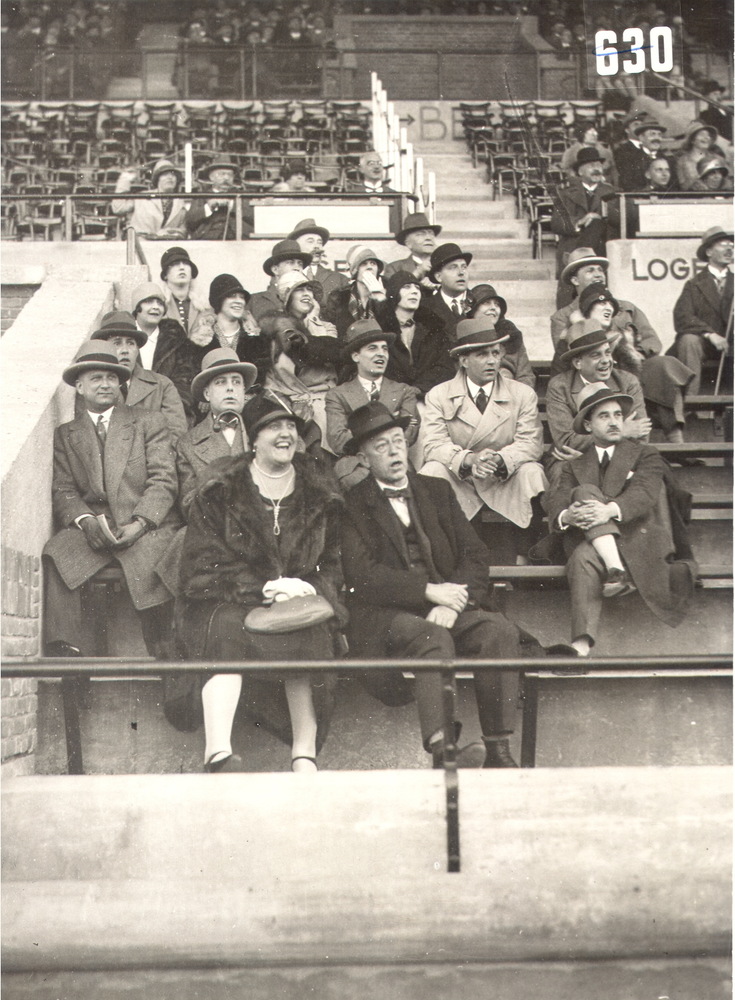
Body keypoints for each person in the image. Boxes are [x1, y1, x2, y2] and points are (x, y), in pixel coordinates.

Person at [341, 403, 566, 768]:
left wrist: (452, 601)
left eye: (398, 441)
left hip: (447, 604)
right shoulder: (352, 504)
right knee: (433, 638)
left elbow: (475, 554)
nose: (395, 451)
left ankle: (498, 751)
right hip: (387, 617)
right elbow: (361, 575)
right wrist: (427, 592)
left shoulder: (436, 490)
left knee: (497, 630)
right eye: (381, 446)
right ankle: (444, 749)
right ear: (364, 459)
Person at [177, 393, 345, 773]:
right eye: (273, 427)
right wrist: (265, 589)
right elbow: (201, 564)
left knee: (311, 633)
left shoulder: (320, 489)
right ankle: (218, 754)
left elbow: (333, 561)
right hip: (229, 599)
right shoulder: (220, 487)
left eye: (290, 426)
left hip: (299, 599)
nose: (285, 434)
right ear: (253, 438)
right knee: (225, 629)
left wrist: (309, 588)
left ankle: (304, 756)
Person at [43, 341, 179, 659]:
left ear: (120, 383)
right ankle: (67, 653)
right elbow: (64, 489)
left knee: (159, 567)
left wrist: (142, 522)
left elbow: (164, 480)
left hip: (144, 528)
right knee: (56, 553)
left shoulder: (148, 422)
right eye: (96, 378)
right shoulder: (67, 434)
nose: (105, 384)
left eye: (111, 377)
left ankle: (166, 654)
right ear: (79, 386)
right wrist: (86, 521)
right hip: (95, 532)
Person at [546, 384, 696, 657]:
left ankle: (613, 571)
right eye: (604, 416)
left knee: (584, 506)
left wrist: (607, 511)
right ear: (588, 426)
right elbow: (556, 500)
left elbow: (644, 494)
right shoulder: (573, 465)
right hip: (597, 544)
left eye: (618, 415)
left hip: (636, 536)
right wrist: (567, 515)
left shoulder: (645, 454)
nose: (614, 421)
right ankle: (581, 644)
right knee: (581, 544)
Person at [420, 317, 547, 558]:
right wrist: (469, 459)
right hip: (462, 478)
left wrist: (499, 460)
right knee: (432, 471)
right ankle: (450, 558)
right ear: (463, 360)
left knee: (532, 472)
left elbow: (530, 443)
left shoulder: (522, 394)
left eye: (495, 353)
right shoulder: (439, 395)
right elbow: (434, 445)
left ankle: (526, 556)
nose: (492, 360)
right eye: (482, 354)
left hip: (504, 477)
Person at [572, 283, 694, 445]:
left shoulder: (627, 315)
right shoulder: (578, 329)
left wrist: (637, 352)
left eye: (610, 304)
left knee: (663, 367)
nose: (608, 308)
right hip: (601, 379)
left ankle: (676, 439)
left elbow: (652, 341)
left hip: (635, 369)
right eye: (601, 303)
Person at [545, 318, 651, 488]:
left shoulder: (628, 382)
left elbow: (640, 434)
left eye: (607, 353)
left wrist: (599, 457)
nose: (606, 360)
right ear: (578, 362)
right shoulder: (560, 386)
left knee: (646, 475)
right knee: (563, 473)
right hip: (569, 457)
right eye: (596, 355)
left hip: (618, 456)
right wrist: (622, 432)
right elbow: (566, 440)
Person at [326, 318, 419, 484]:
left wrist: (361, 435)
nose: (381, 354)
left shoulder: (404, 391)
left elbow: (410, 432)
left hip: (394, 460)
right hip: (355, 464)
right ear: (356, 356)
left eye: (385, 348)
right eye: (372, 348)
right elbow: (337, 439)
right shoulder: (337, 395)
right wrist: (391, 426)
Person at [90, 310, 188, 440]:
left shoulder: (162, 385)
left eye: (131, 343)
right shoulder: (91, 387)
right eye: (117, 343)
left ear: (137, 350)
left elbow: (176, 434)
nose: (125, 350)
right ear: (104, 349)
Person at [372, 271, 455, 399]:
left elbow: (444, 367)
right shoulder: (379, 329)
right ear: (393, 293)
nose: (414, 291)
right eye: (406, 287)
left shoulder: (434, 329)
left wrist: (418, 389)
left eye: (417, 288)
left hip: (428, 397)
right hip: (390, 398)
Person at [671, 226, 733, 396]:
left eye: (731, 245)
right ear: (709, 252)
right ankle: (691, 402)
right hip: (705, 345)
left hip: (732, 343)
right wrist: (710, 334)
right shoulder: (694, 284)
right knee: (688, 340)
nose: (729, 249)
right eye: (723, 245)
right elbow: (682, 317)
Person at [129, 281, 201, 426]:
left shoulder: (175, 339)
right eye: (149, 301)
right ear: (137, 307)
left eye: (160, 303)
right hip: (130, 413)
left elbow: (184, 381)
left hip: (169, 412)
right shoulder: (125, 337)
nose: (156, 307)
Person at [550, 147, 619, 295]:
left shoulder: (612, 192)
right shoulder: (565, 193)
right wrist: (580, 221)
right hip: (573, 245)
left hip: (601, 248)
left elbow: (617, 220)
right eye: (591, 165)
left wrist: (598, 217)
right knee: (568, 295)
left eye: (599, 165)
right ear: (580, 171)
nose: (597, 169)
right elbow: (557, 222)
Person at [189, 273, 271, 384]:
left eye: (242, 297)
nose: (239, 301)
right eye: (232, 296)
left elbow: (261, 377)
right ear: (218, 300)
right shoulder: (199, 342)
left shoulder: (258, 339)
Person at [467, 283, 535, 388]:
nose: (493, 308)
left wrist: (516, 395)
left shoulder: (511, 336)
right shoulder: (463, 336)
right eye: (486, 303)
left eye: (497, 304)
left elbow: (526, 376)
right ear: (473, 309)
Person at [111, 159, 188, 240]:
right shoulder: (142, 197)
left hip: (167, 244)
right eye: (165, 174)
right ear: (157, 179)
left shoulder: (181, 203)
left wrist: (170, 233)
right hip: (141, 244)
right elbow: (118, 208)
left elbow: (183, 231)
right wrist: (125, 179)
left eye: (173, 175)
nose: (170, 177)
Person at [323, 245, 386, 336]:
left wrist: (381, 299)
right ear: (354, 270)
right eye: (363, 264)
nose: (369, 267)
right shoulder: (339, 296)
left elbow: (392, 329)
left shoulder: (388, 293)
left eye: (373, 263)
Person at [185, 155, 253, 240]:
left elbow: (253, 218)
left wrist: (232, 205)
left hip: (237, 240)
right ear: (211, 177)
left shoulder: (242, 195)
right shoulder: (202, 196)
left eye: (230, 175)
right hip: (208, 240)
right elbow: (189, 221)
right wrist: (209, 207)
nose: (226, 178)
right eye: (222, 174)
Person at [248, 239, 313, 323]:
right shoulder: (255, 300)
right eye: (290, 262)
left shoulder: (308, 299)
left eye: (300, 263)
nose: (297, 268)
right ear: (275, 269)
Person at [287, 218, 350, 300]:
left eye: (319, 242)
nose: (317, 246)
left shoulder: (339, 279)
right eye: (310, 241)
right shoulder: (286, 277)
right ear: (297, 246)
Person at [425, 242, 475, 341]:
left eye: (464, 267)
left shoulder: (478, 302)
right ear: (439, 277)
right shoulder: (426, 308)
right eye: (453, 267)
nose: (461, 272)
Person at [383, 212, 442, 288]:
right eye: (420, 234)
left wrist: (440, 285)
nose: (428, 238)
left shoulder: (444, 265)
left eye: (431, 234)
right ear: (408, 244)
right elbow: (392, 292)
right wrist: (417, 272)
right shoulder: (394, 268)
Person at [159, 246, 207, 336]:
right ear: (165, 275)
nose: (182, 267)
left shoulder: (203, 306)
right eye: (175, 264)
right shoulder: (159, 306)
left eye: (186, 263)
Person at [614, 117, 668, 192]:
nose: (657, 138)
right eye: (652, 134)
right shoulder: (631, 159)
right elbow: (628, 184)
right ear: (642, 138)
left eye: (659, 135)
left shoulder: (668, 159)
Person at [675, 122, 724, 191]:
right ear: (692, 140)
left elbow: (728, 182)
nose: (707, 137)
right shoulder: (682, 161)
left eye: (708, 135)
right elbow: (682, 186)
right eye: (702, 134)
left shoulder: (718, 159)